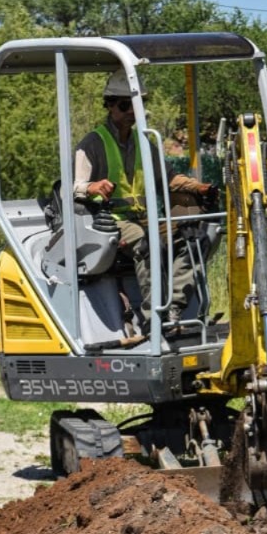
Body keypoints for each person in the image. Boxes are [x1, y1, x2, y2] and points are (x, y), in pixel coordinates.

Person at [74, 68, 216, 336]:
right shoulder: (92, 144)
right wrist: (92, 187)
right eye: (124, 105)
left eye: (136, 105)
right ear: (110, 106)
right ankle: (154, 318)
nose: (131, 111)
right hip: (109, 223)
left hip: (143, 220)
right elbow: (76, 188)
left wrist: (198, 187)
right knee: (146, 241)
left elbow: (168, 179)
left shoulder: (144, 143)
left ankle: (175, 309)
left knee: (194, 235)